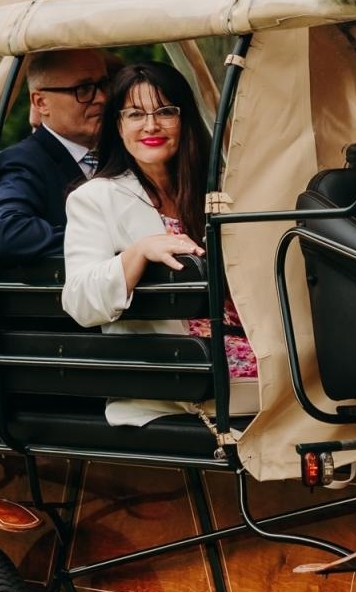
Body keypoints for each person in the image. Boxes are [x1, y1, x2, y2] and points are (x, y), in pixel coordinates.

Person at [61, 62, 257, 424]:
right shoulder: (95, 198)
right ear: (118, 126)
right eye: (135, 114)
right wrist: (138, 253)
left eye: (165, 111)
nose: (151, 126)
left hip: (252, 339)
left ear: (184, 119)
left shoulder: (218, 190)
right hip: (181, 363)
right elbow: (79, 301)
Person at [0, 49, 111, 264]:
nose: (101, 98)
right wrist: (107, 244)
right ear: (41, 102)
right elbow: (6, 233)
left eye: (104, 84)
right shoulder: (24, 161)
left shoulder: (120, 151)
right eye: (84, 89)